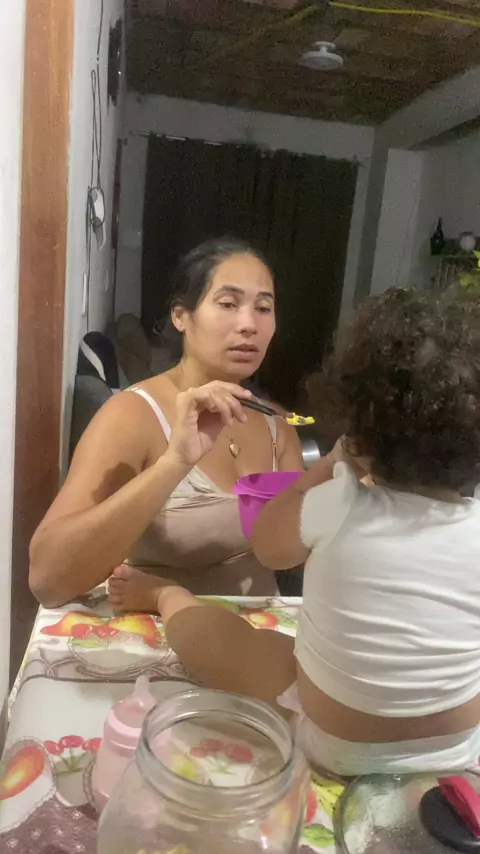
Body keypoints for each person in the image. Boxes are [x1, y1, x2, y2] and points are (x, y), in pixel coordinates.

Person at [109, 288, 480, 776]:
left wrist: (328, 465)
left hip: (337, 743)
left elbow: (269, 546)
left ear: (359, 425)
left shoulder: (341, 501)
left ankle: (166, 597)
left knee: (242, 647)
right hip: (456, 747)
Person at [29, 238, 303, 608]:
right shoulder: (132, 415)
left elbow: (291, 554)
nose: (248, 324)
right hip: (157, 631)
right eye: (228, 303)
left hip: (255, 630)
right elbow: (47, 580)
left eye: (264, 308)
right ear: (181, 317)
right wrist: (174, 463)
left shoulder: (276, 427)